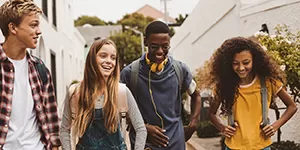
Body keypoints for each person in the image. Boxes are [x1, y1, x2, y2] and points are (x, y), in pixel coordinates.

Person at [203, 37, 298, 150]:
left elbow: (292, 107)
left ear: (255, 60)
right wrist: (222, 128)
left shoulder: (268, 82)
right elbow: (211, 114)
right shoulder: (224, 86)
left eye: (246, 62)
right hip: (234, 146)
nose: (241, 68)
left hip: (262, 145)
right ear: (228, 64)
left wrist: (275, 126)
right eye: (235, 63)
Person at [120, 20, 201, 150]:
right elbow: (119, 108)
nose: (160, 52)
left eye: (165, 47)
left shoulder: (180, 69)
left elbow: (196, 96)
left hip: (176, 143)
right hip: (145, 143)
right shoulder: (130, 73)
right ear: (145, 42)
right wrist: (144, 127)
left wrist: (193, 125)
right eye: (154, 46)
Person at [60, 39, 147, 150]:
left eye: (113, 58)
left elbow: (140, 129)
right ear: (92, 59)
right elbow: (64, 129)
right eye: (103, 56)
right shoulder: (75, 92)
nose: (109, 61)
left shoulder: (121, 92)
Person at [0, 0, 61, 149]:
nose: (39, 31)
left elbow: (52, 120)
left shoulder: (40, 69)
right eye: (33, 25)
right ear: (13, 28)